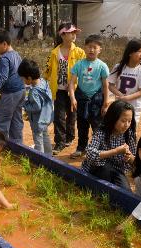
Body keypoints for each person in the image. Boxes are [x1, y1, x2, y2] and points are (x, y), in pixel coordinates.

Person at [43, 23, 85, 155]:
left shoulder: (79, 52)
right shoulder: (54, 52)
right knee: (59, 116)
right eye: (71, 32)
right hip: (59, 89)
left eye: (75, 32)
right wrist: (43, 82)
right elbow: (47, 69)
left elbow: (84, 70)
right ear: (62, 34)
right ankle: (60, 141)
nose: (74, 35)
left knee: (72, 114)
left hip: (75, 89)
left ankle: (70, 137)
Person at [69, 34, 110, 158]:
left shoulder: (102, 66)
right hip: (81, 99)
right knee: (82, 125)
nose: (91, 50)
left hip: (96, 100)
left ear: (99, 50)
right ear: (84, 48)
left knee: (97, 126)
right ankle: (81, 148)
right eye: (89, 47)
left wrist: (106, 102)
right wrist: (72, 98)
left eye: (94, 47)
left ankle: (96, 149)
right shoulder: (79, 65)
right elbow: (72, 83)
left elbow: (105, 85)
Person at [81, 100, 136, 190]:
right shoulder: (101, 132)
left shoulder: (129, 134)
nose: (126, 125)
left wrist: (129, 156)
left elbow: (135, 161)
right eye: (123, 121)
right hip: (97, 168)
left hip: (117, 170)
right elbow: (90, 154)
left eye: (129, 121)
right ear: (113, 118)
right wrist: (115, 151)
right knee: (105, 183)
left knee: (125, 191)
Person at [0, 28, 25, 143]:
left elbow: (2, 77)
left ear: (4, 44)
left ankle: (0, 146)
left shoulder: (4, 58)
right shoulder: (16, 55)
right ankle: (18, 145)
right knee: (16, 120)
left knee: (1, 120)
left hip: (10, 93)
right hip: (21, 91)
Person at [109, 39, 141, 124]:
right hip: (120, 105)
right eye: (139, 51)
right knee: (118, 126)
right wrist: (121, 96)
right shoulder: (118, 67)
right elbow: (111, 85)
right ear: (130, 53)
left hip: (135, 107)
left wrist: (126, 98)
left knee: (131, 130)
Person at [18, 59, 54, 155]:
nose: (23, 81)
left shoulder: (34, 91)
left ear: (29, 78)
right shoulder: (44, 82)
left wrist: (25, 104)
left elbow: (36, 107)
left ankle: (41, 160)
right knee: (45, 136)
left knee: (38, 140)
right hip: (45, 117)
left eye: (23, 79)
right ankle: (49, 155)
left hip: (37, 120)